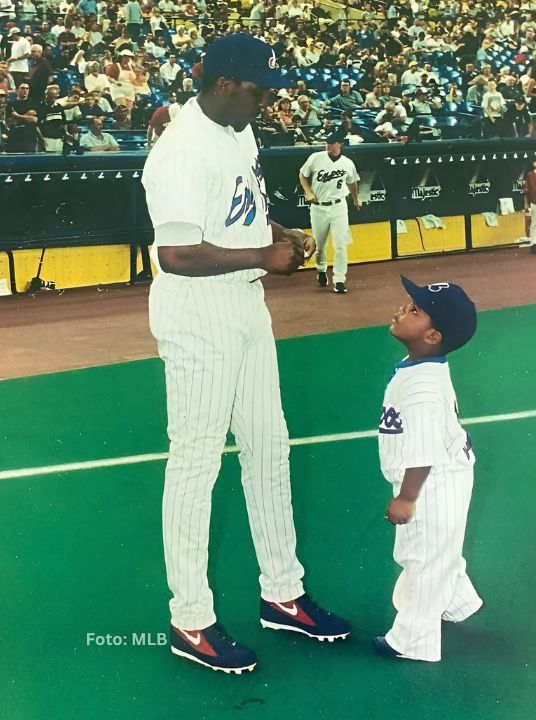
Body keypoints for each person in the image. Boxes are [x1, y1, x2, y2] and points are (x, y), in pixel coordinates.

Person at [141, 33, 350, 675]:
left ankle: (282, 591)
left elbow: (236, 213)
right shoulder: (179, 150)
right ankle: (189, 618)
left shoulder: (236, 129)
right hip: (197, 310)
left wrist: (273, 234)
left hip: (244, 304)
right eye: (258, 89)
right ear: (225, 83)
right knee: (197, 464)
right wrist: (263, 255)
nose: (267, 100)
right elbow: (175, 254)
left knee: (269, 447)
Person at [373, 277, 483, 662]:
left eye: (416, 310)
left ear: (433, 335)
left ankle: (412, 640)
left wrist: (405, 498)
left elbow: (421, 451)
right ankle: (456, 601)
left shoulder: (421, 386)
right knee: (439, 551)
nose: (404, 309)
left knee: (422, 558)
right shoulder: (422, 366)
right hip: (447, 476)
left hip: (431, 483)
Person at [299, 131, 361, 293]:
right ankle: (321, 270)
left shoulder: (347, 163)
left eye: (332, 142)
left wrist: (356, 199)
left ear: (340, 144)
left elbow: (352, 182)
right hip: (319, 206)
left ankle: (339, 280)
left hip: (339, 206)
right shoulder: (316, 158)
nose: (328, 145)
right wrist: (308, 192)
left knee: (340, 245)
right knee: (320, 245)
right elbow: (302, 175)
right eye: (327, 142)